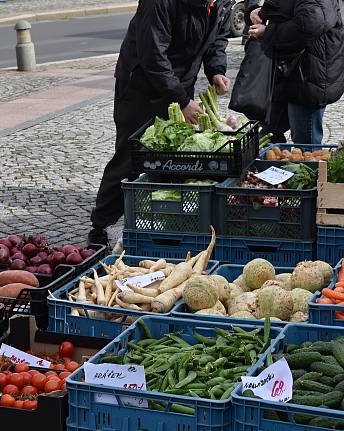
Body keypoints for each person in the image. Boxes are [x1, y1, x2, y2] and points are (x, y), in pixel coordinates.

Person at [88, 0, 233, 247]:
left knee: (174, 157)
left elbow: (217, 38)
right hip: (141, 85)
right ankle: (100, 225)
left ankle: (164, 221)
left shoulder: (221, 3)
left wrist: (215, 70)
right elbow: (152, 55)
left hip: (179, 81)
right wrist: (182, 100)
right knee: (130, 157)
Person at [247, 0, 344, 144]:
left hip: (308, 76)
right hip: (287, 74)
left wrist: (267, 32)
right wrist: (259, 12)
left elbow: (309, 24)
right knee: (266, 132)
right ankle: (270, 164)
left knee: (305, 145)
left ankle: (309, 166)